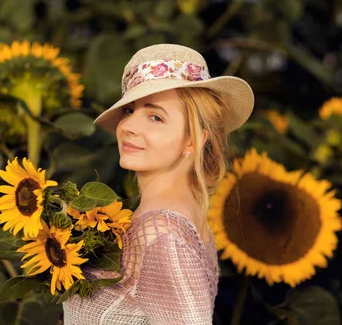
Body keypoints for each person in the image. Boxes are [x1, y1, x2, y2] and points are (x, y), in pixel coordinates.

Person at [62, 44, 255, 324]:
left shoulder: (162, 237)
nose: (128, 126)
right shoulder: (176, 223)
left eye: (155, 117)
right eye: (129, 109)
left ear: (194, 140)